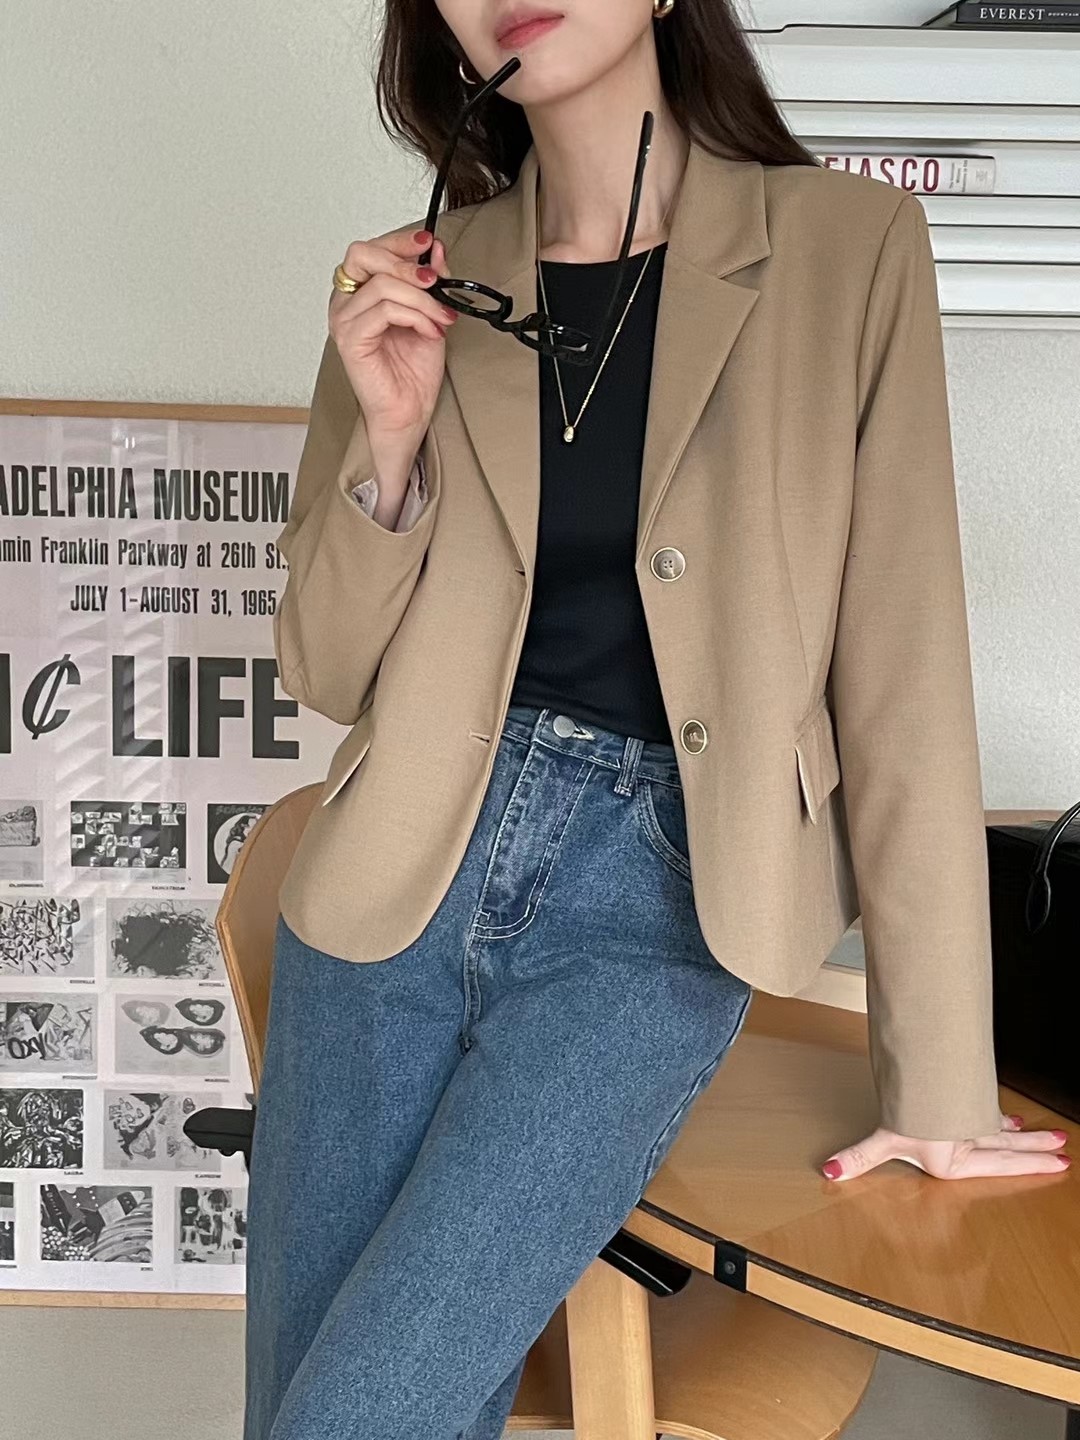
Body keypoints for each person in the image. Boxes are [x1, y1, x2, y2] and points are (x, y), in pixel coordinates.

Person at [244, 3, 1070, 1437]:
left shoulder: (846, 250)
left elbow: (903, 667)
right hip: (390, 890)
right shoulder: (419, 280)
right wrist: (390, 442)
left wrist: (938, 1072)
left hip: (655, 912)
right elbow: (324, 665)